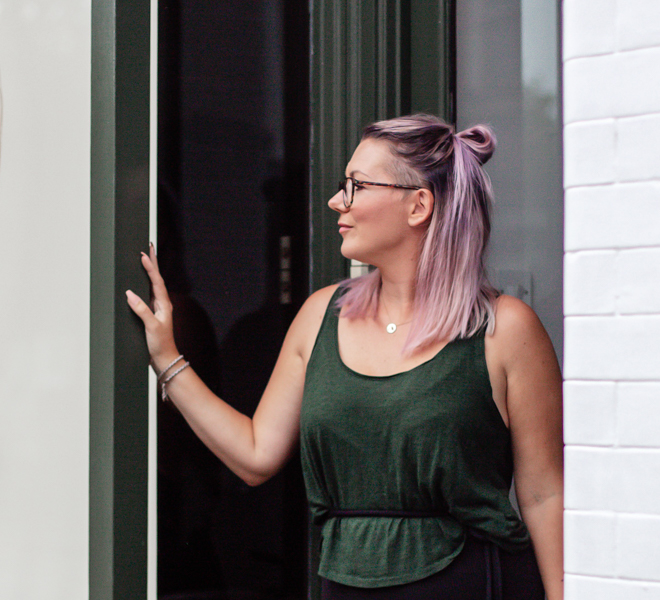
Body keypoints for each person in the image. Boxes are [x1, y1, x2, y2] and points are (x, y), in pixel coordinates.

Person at [126, 114, 563, 599]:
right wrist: (168, 358)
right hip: (347, 582)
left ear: (418, 205)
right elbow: (255, 455)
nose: (338, 200)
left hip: (473, 583)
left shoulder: (506, 328)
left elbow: (544, 495)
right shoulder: (321, 315)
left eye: (357, 186)